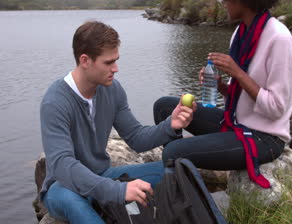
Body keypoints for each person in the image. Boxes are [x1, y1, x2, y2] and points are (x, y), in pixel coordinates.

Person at [154, 0, 292, 188]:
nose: (223, 1)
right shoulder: (241, 34)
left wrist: (238, 73)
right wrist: (222, 86)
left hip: (265, 137)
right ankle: (178, 177)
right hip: (236, 122)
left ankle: (184, 195)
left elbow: (277, 109)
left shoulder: (279, 39)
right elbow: (241, 95)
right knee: (163, 107)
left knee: (172, 152)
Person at [40, 21, 196, 223]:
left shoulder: (113, 89)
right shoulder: (55, 101)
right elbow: (62, 165)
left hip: (103, 175)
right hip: (63, 187)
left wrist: (170, 124)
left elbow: (136, 138)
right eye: (108, 62)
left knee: (178, 172)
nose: (116, 68)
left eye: (116, 60)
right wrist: (117, 191)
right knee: (72, 201)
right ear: (85, 60)